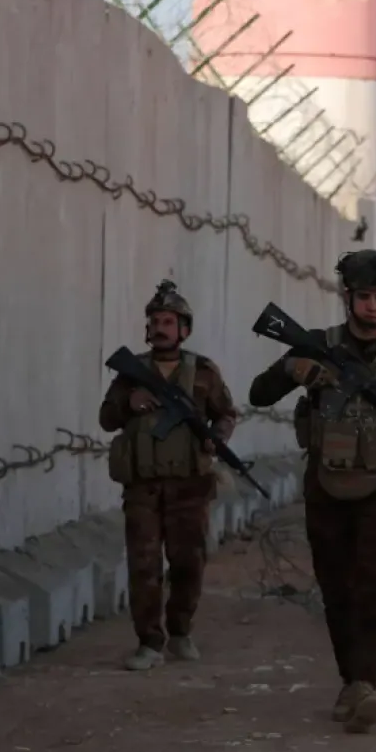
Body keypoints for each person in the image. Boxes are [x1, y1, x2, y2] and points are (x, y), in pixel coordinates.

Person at [247, 249, 376, 734]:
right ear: (349, 298)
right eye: (365, 297)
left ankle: (365, 684)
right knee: (337, 589)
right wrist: (295, 371)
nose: (373, 307)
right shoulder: (317, 345)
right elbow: (258, 393)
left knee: (371, 587)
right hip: (326, 487)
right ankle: (351, 683)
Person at [99, 281, 239, 671]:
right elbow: (106, 418)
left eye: (169, 322)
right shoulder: (132, 373)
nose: (161, 328)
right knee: (144, 565)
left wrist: (218, 438)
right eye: (155, 321)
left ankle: (180, 632)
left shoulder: (203, 372)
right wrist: (129, 402)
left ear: (184, 330)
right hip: (143, 487)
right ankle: (149, 641)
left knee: (188, 563)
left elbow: (226, 413)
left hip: (189, 488)